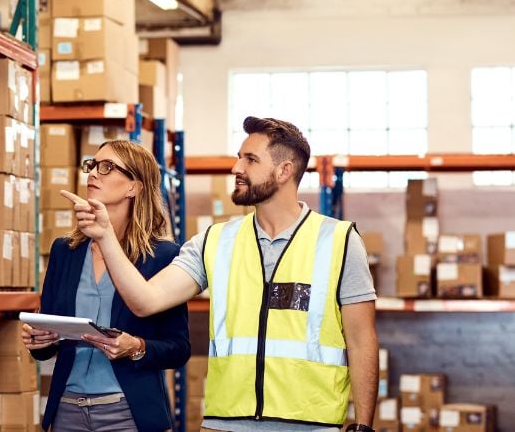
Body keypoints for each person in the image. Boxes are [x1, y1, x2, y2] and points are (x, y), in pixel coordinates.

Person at [62, 117, 379, 432]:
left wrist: (364, 426)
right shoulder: (214, 242)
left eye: (250, 160)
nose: (236, 169)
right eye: (239, 157)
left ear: (285, 171)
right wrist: (104, 235)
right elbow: (145, 301)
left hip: (311, 425)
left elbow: (361, 339)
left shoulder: (339, 241)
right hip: (224, 423)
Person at [23, 140, 191, 432]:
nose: (93, 174)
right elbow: (47, 344)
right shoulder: (65, 251)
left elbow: (178, 348)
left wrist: (136, 347)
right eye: (92, 165)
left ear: (134, 187)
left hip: (129, 411)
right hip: (67, 409)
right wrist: (40, 341)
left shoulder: (162, 257)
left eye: (107, 167)